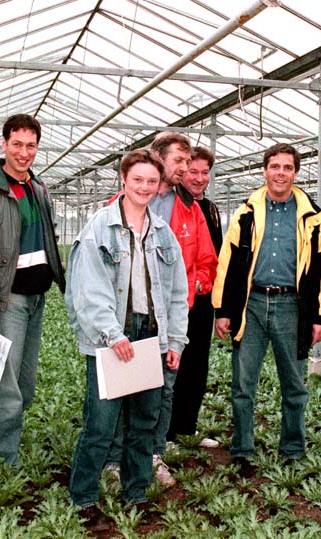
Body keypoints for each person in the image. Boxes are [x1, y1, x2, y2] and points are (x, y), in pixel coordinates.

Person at [65, 149, 189, 530]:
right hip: (111, 336)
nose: (145, 188)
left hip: (150, 334)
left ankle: (136, 491)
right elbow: (88, 290)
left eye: (152, 181)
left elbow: (176, 292)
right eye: (138, 180)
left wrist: (176, 342)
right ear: (124, 179)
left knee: (145, 420)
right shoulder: (100, 228)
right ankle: (83, 496)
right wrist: (112, 334)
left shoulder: (163, 233)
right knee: (101, 422)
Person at [212, 142, 321, 477]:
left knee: (294, 385)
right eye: (275, 166)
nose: (280, 173)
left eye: (287, 168)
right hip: (251, 305)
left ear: (295, 173)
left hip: (291, 307)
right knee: (243, 384)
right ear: (265, 170)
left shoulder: (311, 217)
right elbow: (229, 261)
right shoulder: (247, 214)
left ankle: (293, 449)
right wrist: (222, 309)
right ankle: (242, 450)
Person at [105, 132, 216, 486]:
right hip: (131, 309)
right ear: (158, 158)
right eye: (179, 161)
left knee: (163, 388)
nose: (185, 168)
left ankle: (153, 456)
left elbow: (204, 257)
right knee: (123, 386)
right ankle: (114, 459)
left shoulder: (189, 207)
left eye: (188, 162)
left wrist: (196, 284)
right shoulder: (124, 204)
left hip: (168, 312)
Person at [0, 114, 66, 466]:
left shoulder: (38, 188)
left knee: (24, 383)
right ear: (4, 144)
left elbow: (48, 242)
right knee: (3, 383)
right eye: (17, 144)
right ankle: (2, 459)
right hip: (8, 301)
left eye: (31, 145)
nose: (24, 153)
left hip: (36, 298)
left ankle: (8, 442)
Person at [168, 146, 223, 448]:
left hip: (203, 298)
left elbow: (217, 255)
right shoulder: (172, 204)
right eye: (194, 171)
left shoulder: (211, 209)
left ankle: (187, 425)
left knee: (197, 362)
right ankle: (167, 432)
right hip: (179, 297)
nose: (200, 178)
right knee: (175, 360)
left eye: (205, 173)